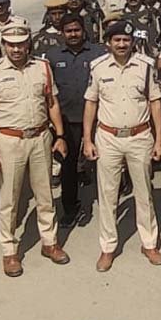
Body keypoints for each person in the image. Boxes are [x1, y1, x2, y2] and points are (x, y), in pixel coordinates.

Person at [0, 24, 69, 276]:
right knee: (9, 199)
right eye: (11, 44)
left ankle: (49, 242)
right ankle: (9, 251)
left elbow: (52, 102)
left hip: (40, 136)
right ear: (3, 45)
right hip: (9, 140)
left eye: (20, 44)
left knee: (45, 194)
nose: (16, 49)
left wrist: (60, 135)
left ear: (28, 44)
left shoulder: (42, 67)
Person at [82, 20, 161, 272]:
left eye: (126, 40)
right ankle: (108, 247)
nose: (121, 44)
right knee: (108, 194)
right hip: (108, 137)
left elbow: (155, 102)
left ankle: (149, 243)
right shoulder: (97, 67)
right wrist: (87, 139)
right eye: (117, 40)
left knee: (144, 192)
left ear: (132, 42)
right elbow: (91, 103)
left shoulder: (146, 66)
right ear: (108, 43)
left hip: (139, 136)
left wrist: (159, 139)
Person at [47, 14, 103, 228]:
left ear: (83, 31)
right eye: (68, 31)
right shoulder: (52, 57)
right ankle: (71, 208)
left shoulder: (98, 53)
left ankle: (111, 203)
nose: (73, 34)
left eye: (76, 30)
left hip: (96, 117)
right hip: (66, 120)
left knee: (104, 162)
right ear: (62, 33)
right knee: (68, 165)